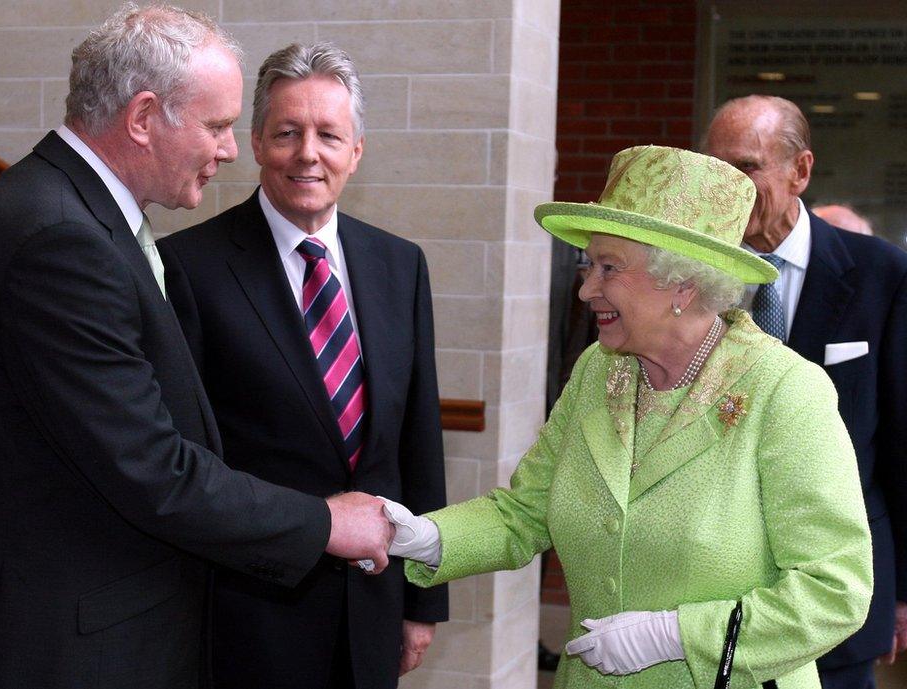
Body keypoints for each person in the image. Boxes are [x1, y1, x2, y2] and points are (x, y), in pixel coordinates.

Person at [0, 8, 392, 689]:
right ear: (144, 116)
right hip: (64, 646)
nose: (232, 149)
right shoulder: (59, 238)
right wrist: (322, 520)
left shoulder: (79, 213)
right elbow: (153, 469)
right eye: (216, 125)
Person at [380, 145, 873, 688]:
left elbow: (836, 587)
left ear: (682, 284)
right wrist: (425, 536)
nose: (587, 287)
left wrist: (678, 636)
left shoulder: (784, 391)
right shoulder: (599, 370)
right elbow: (526, 511)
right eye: (588, 265)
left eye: (608, 267)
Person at [157, 42, 448, 689]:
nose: (308, 153)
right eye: (288, 132)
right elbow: (186, 456)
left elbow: (417, 440)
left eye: (328, 134)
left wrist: (423, 600)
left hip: (373, 604)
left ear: (357, 151)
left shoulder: (401, 265)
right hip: (250, 612)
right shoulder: (189, 267)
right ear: (256, 141)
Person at [705, 95, 907, 689]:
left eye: (745, 167)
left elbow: (901, 443)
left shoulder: (882, 275)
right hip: (712, 589)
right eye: (714, 166)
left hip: (838, 590)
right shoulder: (683, 275)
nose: (727, 186)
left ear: (801, 170)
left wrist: (903, 591)